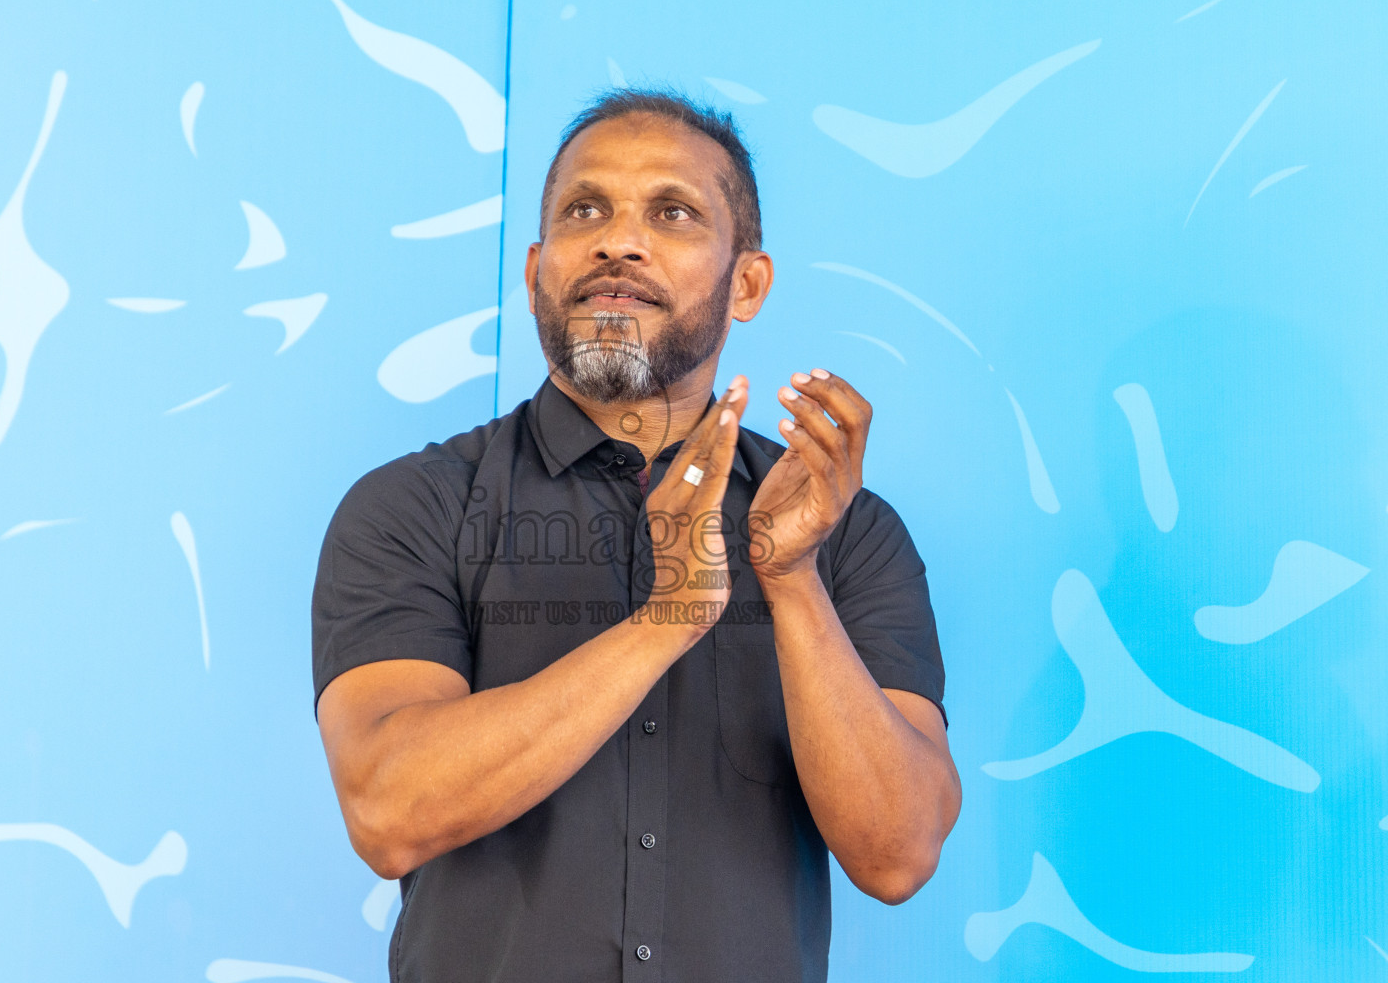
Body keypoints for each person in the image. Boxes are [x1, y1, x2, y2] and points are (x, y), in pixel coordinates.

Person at [311, 89, 961, 983]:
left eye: (673, 212)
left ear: (748, 284)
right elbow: (389, 810)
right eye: (587, 210)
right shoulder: (415, 506)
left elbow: (898, 854)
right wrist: (668, 620)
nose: (619, 240)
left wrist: (795, 581)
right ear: (540, 267)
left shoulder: (847, 534)